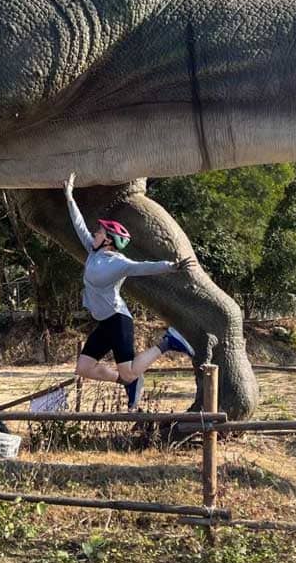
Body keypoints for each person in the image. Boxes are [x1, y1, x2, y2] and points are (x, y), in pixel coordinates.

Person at [64, 173, 197, 409]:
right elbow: (78, 225)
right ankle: (127, 383)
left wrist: (172, 266)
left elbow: (143, 267)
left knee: (129, 371)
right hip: (104, 322)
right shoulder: (93, 251)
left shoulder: (119, 263)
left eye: (101, 232)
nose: (95, 233)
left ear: (109, 241)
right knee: (84, 368)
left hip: (118, 320)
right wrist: (69, 196)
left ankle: (168, 342)